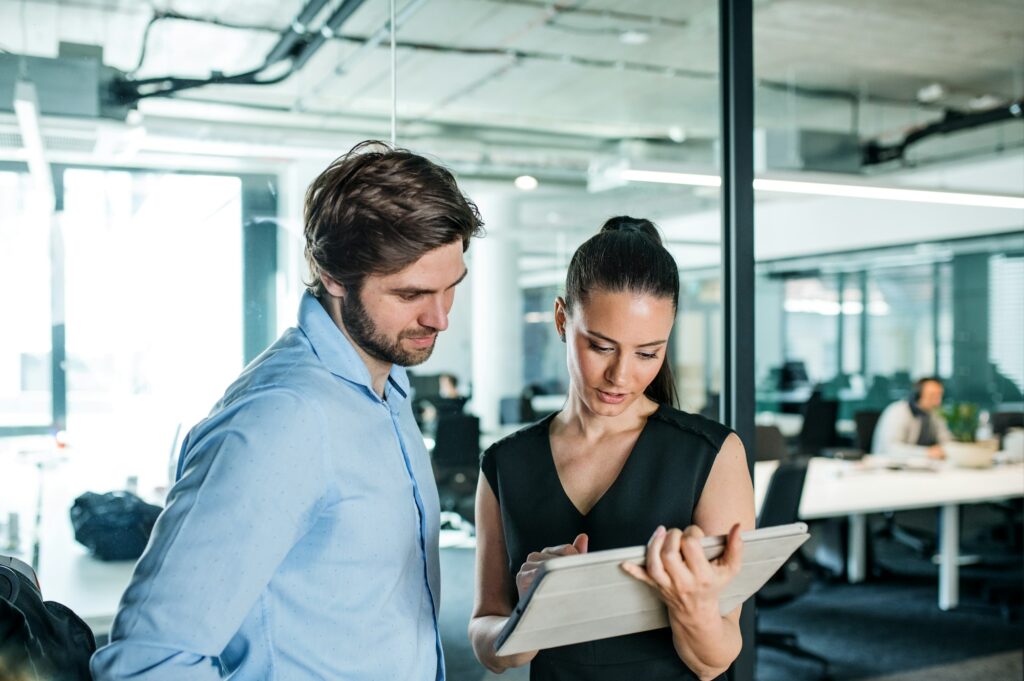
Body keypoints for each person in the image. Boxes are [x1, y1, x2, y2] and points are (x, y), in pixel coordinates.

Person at [91, 141, 483, 680]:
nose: (439, 318)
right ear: (333, 276)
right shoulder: (282, 419)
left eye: (450, 289)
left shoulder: (386, 389)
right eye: (411, 293)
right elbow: (150, 660)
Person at [469, 217, 755, 681]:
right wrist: (531, 612)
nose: (621, 376)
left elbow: (714, 660)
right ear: (562, 319)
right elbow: (489, 642)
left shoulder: (711, 454)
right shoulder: (506, 464)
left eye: (647, 353)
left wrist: (690, 603)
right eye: (601, 347)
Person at [872, 376, 952, 459]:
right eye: (932, 396)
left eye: (939, 396)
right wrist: (926, 452)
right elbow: (891, 449)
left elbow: (946, 440)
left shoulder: (933, 414)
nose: (938, 401)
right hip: (888, 466)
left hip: (920, 466)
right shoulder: (898, 412)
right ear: (918, 395)